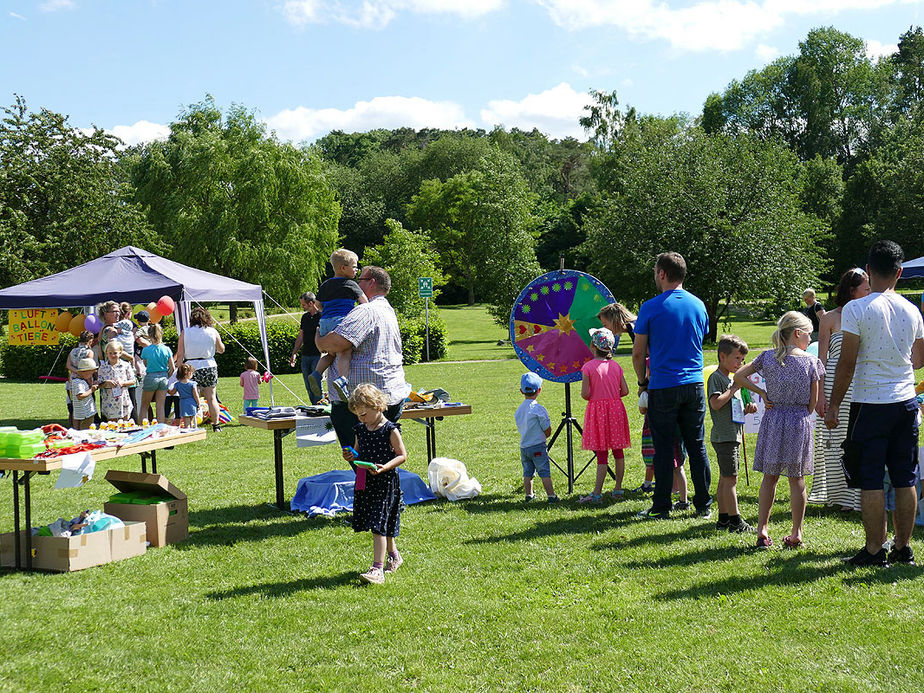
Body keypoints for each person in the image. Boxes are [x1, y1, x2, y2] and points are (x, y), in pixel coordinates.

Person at [825, 240, 924, 567]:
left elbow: (848, 362)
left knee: (870, 478)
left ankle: (873, 550)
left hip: (869, 402)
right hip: (906, 401)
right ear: (899, 273)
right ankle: (903, 547)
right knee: (904, 476)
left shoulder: (857, 308)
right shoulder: (913, 310)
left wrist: (833, 404)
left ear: (868, 270)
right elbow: (919, 359)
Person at [633, 252, 713, 520]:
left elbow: (637, 353)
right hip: (693, 384)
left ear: (663, 274)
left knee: (664, 447)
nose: (655, 276)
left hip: (663, 385)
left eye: (655, 271)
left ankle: (661, 507)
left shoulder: (650, 307)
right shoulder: (699, 305)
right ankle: (703, 504)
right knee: (697, 445)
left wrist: (643, 382)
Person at [735, 312, 823, 549]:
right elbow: (813, 404)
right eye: (808, 332)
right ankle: (796, 533)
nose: (810, 337)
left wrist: (763, 393)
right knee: (797, 479)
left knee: (769, 478)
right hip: (799, 421)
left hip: (773, 420)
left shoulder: (767, 357)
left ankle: (762, 529)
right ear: (797, 333)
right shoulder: (811, 362)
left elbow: (739, 375)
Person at [315, 266, 409, 448]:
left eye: (360, 280)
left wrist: (319, 338)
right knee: (383, 460)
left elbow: (336, 344)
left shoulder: (366, 311)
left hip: (361, 403)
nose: (356, 283)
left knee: (367, 464)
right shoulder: (388, 310)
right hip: (389, 396)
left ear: (371, 282)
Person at [808, 268, 871, 511]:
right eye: (865, 288)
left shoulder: (868, 314)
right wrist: (822, 393)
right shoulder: (829, 318)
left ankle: (855, 497)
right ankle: (836, 495)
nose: (869, 292)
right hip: (834, 379)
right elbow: (820, 359)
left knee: (855, 436)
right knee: (833, 438)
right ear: (851, 290)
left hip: (860, 380)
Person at [341, 383, 408, 585]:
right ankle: (394, 555)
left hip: (384, 481)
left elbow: (402, 455)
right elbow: (357, 452)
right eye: (358, 415)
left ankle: (377, 569)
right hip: (364, 478)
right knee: (378, 520)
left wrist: (384, 467)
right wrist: (350, 456)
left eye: (364, 414)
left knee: (378, 524)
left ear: (378, 406)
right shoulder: (360, 429)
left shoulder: (390, 430)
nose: (361, 418)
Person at [707, 335, 758, 533]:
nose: (740, 363)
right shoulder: (718, 378)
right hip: (725, 436)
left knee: (725, 479)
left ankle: (723, 519)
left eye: (742, 359)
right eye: (737, 358)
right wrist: (734, 387)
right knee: (731, 479)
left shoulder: (729, 379)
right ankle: (736, 521)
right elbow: (716, 403)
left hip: (731, 434)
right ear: (722, 356)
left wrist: (747, 409)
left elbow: (730, 409)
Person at [306, 249, 368, 400]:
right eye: (354, 266)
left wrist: (327, 310)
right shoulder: (350, 284)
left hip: (325, 321)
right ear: (343, 268)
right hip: (340, 322)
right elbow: (365, 303)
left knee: (330, 354)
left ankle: (317, 373)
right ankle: (342, 380)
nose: (356, 270)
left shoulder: (325, 285)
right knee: (344, 352)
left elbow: (318, 305)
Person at [578, 328, 630, 503]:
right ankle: (618, 489)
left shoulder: (588, 367)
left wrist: (597, 396)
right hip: (616, 410)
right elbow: (625, 391)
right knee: (618, 451)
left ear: (593, 345)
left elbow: (585, 394)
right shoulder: (616, 366)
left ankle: (597, 493)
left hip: (598, 412)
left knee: (601, 454)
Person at [175, 307, 225, 432]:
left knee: (190, 396)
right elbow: (221, 349)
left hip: (191, 367)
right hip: (209, 364)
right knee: (211, 397)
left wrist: (179, 370)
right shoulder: (212, 331)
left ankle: (191, 424)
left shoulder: (185, 332)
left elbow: (180, 354)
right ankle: (216, 425)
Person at [515, 372, 558, 504]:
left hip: (524, 447)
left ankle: (529, 495)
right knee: (544, 471)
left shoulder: (519, 410)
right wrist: (545, 434)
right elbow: (547, 429)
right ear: (539, 390)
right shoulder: (538, 409)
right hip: (538, 446)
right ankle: (551, 496)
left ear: (521, 391)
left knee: (528, 472)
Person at [289, 292, 323, 405]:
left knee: (316, 384)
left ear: (311, 303)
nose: (302, 307)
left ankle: (321, 408)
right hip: (305, 355)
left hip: (318, 355)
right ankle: (314, 407)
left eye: (304, 304)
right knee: (308, 385)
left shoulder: (321, 316)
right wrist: (294, 353)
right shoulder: (305, 317)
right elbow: (301, 336)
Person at [140, 323, 175, 423]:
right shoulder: (167, 349)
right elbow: (172, 368)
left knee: (144, 406)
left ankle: (141, 428)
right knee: (160, 406)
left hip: (151, 377)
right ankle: (161, 428)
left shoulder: (146, 350)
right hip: (163, 377)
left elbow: (145, 364)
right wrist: (166, 376)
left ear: (149, 335)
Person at [97, 342, 136, 422]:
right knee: (112, 423)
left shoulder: (125, 365)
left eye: (115, 353)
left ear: (120, 353)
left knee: (125, 422)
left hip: (123, 398)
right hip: (109, 399)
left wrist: (123, 383)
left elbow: (133, 381)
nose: (112, 355)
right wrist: (107, 382)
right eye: (110, 353)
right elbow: (99, 384)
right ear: (106, 353)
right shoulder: (103, 367)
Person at [66, 330, 96, 427]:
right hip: (85, 379)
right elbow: (89, 367)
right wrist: (91, 384)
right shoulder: (89, 352)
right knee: (86, 403)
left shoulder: (73, 351)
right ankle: (86, 425)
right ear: (90, 341)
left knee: (75, 406)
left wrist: (76, 371)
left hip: (73, 379)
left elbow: (68, 365)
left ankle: (75, 427)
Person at [168, 363, 200, 429]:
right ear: (188, 373)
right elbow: (195, 395)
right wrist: (198, 403)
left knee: (186, 420)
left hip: (183, 403)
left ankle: (187, 430)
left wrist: (166, 389)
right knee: (191, 420)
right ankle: (191, 431)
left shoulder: (177, 385)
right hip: (192, 402)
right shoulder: (193, 384)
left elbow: (171, 393)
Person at [71, 357, 99, 430]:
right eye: (91, 373)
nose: (91, 376)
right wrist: (91, 390)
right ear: (84, 372)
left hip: (85, 412)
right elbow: (80, 396)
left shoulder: (81, 381)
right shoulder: (78, 382)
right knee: (86, 430)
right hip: (85, 413)